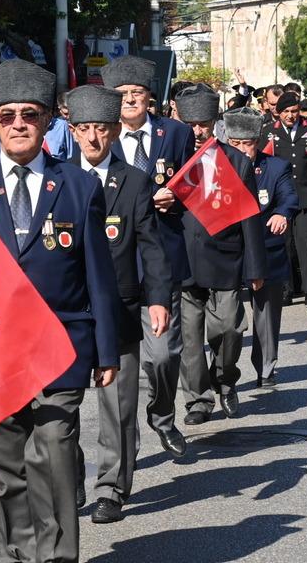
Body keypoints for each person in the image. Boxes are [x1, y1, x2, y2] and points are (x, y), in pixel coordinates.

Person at [0, 59, 119, 563]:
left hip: (60, 346)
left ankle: (58, 557)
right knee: (7, 464)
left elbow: (98, 275)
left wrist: (106, 351)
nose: (18, 123)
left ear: (48, 122)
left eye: (30, 114)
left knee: (57, 454)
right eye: (7, 115)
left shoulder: (80, 186)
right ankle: (20, 554)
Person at [65, 85, 174, 523]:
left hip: (121, 307)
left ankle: (112, 486)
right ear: (72, 132)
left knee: (118, 406)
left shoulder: (133, 181)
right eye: (84, 129)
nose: (93, 139)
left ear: (114, 132)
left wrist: (159, 299)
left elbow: (152, 246)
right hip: (69, 310)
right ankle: (68, 478)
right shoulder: (59, 178)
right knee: (62, 405)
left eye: (101, 130)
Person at [102, 55, 195, 454]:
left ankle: (162, 415)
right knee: (119, 369)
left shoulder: (174, 133)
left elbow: (195, 182)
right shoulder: (100, 137)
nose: (130, 101)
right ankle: (124, 447)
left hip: (164, 253)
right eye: (122, 95)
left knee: (162, 355)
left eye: (137, 94)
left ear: (148, 97)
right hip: (117, 259)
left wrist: (176, 197)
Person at [174, 85, 267, 423]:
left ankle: (225, 380)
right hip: (182, 260)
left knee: (230, 328)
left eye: (204, 123)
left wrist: (255, 267)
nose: (198, 131)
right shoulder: (170, 160)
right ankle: (197, 401)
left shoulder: (237, 161)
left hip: (226, 258)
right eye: (191, 123)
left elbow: (249, 216)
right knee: (189, 339)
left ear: (216, 122)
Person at [223, 107, 297, 389]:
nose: (242, 150)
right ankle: (224, 370)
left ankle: (266, 368)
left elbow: (289, 197)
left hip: (266, 246)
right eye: (236, 144)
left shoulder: (275, 167)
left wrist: (282, 214)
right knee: (226, 319)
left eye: (248, 144)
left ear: (258, 141)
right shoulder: (217, 167)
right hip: (228, 250)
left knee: (266, 313)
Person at [267, 92, 307, 308]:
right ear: (278, 113)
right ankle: (287, 288)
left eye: (294, 111)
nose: (291, 116)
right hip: (281, 198)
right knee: (286, 244)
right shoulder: (268, 132)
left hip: (306, 195)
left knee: (305, 241)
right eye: (286, 112)